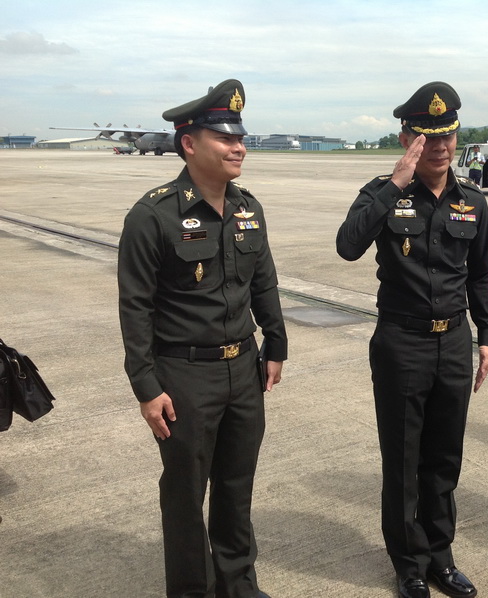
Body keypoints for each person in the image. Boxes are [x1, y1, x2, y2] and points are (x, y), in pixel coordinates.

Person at [118, 79, 287, 598]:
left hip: (244, 370)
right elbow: (135, 307)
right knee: (185, 494)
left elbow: (264, 281)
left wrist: (276, 343)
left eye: (240, 137)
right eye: (225, 137)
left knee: (236, 487)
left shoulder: (248, 207)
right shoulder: (153, 215)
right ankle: (192, 589)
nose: (239, 147)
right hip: (185, 376)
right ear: (189, 143)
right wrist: (146, 387)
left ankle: (238, 584)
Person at [336, 81, 488, 598]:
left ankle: (441, 557)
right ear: (408, 138)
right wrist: (394, 185)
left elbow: (479, 274)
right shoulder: (383, 192)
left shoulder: (471, 200)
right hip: (401, 343)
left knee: (444, 459)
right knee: (404, 460)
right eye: (428, 137)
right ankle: (408, 563)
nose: (441, 146)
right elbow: (347, 246)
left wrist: (487, 334)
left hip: (453, 342)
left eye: (448, 135)